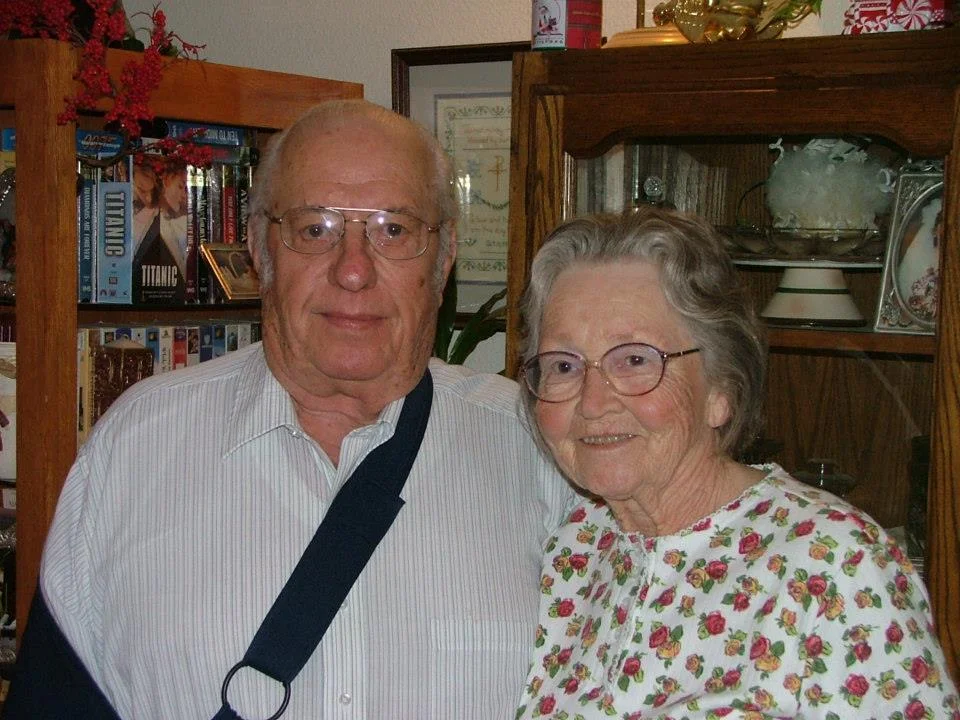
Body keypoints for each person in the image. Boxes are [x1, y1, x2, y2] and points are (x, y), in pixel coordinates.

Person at [4, 99, 573, 719]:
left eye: (394, 229)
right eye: (314, 229)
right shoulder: (136, 446)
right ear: (258, 247)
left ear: (443, 259)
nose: (353, 271)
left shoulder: (543, 448)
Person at [514, 208, 959, 719]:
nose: (593, 403)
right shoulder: (573, 551)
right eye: (564, 365)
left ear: (721, 390)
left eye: (635, 360)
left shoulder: (836, 566)